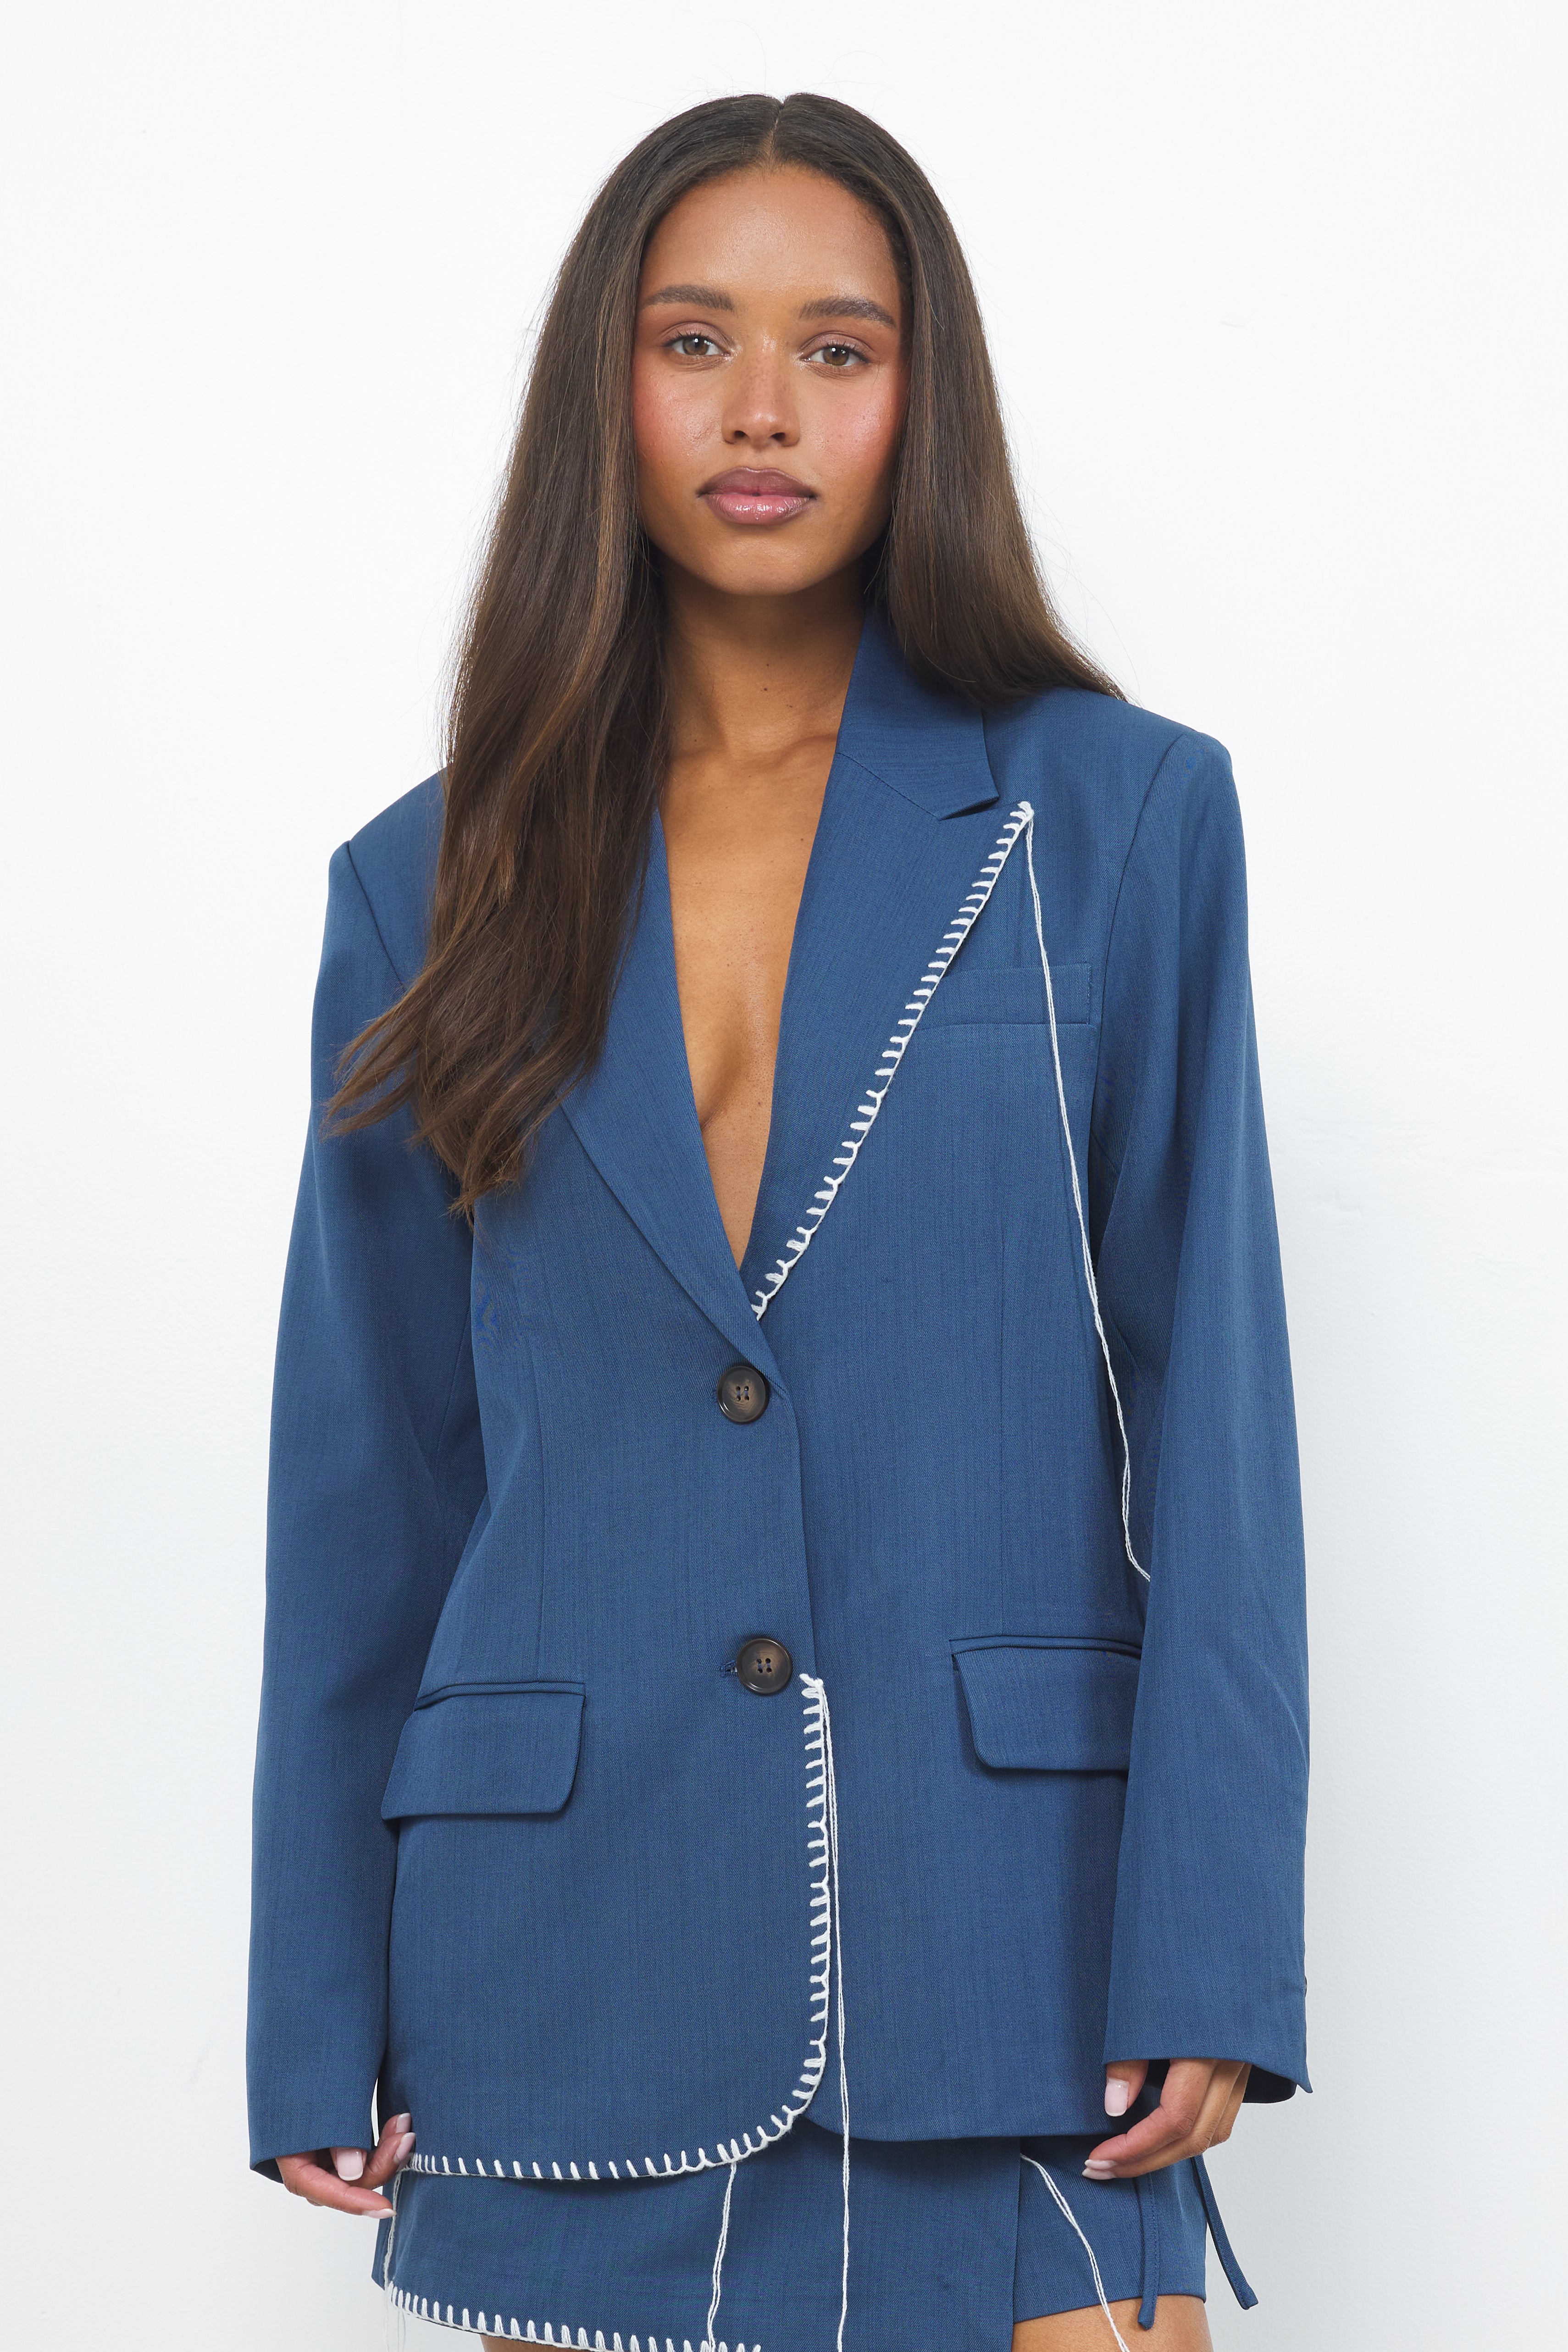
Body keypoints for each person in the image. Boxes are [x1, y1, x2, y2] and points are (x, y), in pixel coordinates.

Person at [247, 91, 1308, 2352]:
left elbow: (1218, 1419)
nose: (761, 410)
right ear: (604, 388)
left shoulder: (1117, 821)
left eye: (838, 348)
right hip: (566, 1992)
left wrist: (1211, 1948)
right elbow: (369, 1487)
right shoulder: (425, 884)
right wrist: (309, 1995)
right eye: (692, 340)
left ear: (924, 398)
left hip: (1015, 1980)